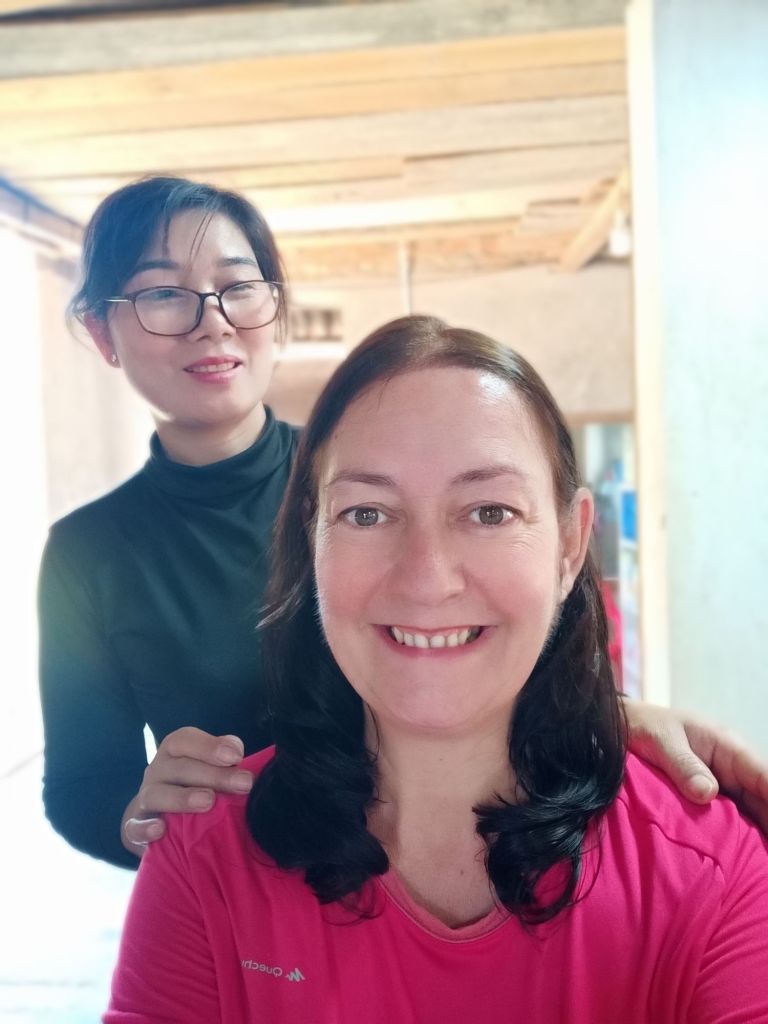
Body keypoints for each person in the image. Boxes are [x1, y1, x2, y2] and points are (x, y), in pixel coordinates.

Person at [39, 176, 768, 871]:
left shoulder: (378, 466)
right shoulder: (86, 554)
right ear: (103, 332)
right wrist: (139, 816)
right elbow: (81, 786)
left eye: (238, 287)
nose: (213, 321)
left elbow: (498, 631)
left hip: (471, 866)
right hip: (255, 890)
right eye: (165, 294)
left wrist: (611, 720)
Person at [104, 316, 768, 1022]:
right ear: (312, 537)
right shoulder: (204, 855)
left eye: (490, 512)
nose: (426, 579)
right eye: (367, 514)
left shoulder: (707, 868)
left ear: (571, 544)